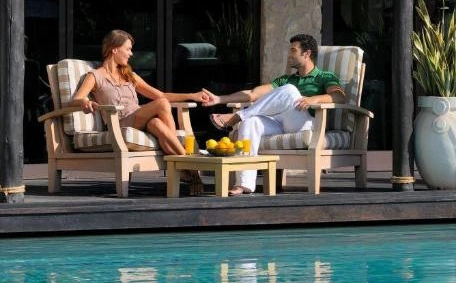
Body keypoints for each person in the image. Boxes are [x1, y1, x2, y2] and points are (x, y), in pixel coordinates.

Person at [203, 34, 346, 195]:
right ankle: (244, 184)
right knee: (251, 123)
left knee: (290, 90)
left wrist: (314, 99)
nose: (289, 54)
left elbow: (339, 96)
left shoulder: (324, 76)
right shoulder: (287, 79)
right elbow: (253, 93)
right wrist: (220, 99)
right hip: (281, 124)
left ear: (307, 54)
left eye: (293, 50)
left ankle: (237, 116)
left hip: (307, 124)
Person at [70, 29, 206, 193]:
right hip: (119, 122)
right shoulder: (95, 76)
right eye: (127, 49)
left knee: (157, 123)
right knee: (162, 104)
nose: (131, 53)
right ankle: (191, 169)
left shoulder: (129, 75)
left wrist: (193, 95)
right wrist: (84, 101)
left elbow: (161, 94)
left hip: (138, 118)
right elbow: (77, 98)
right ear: (114, 49)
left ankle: (184, 170)